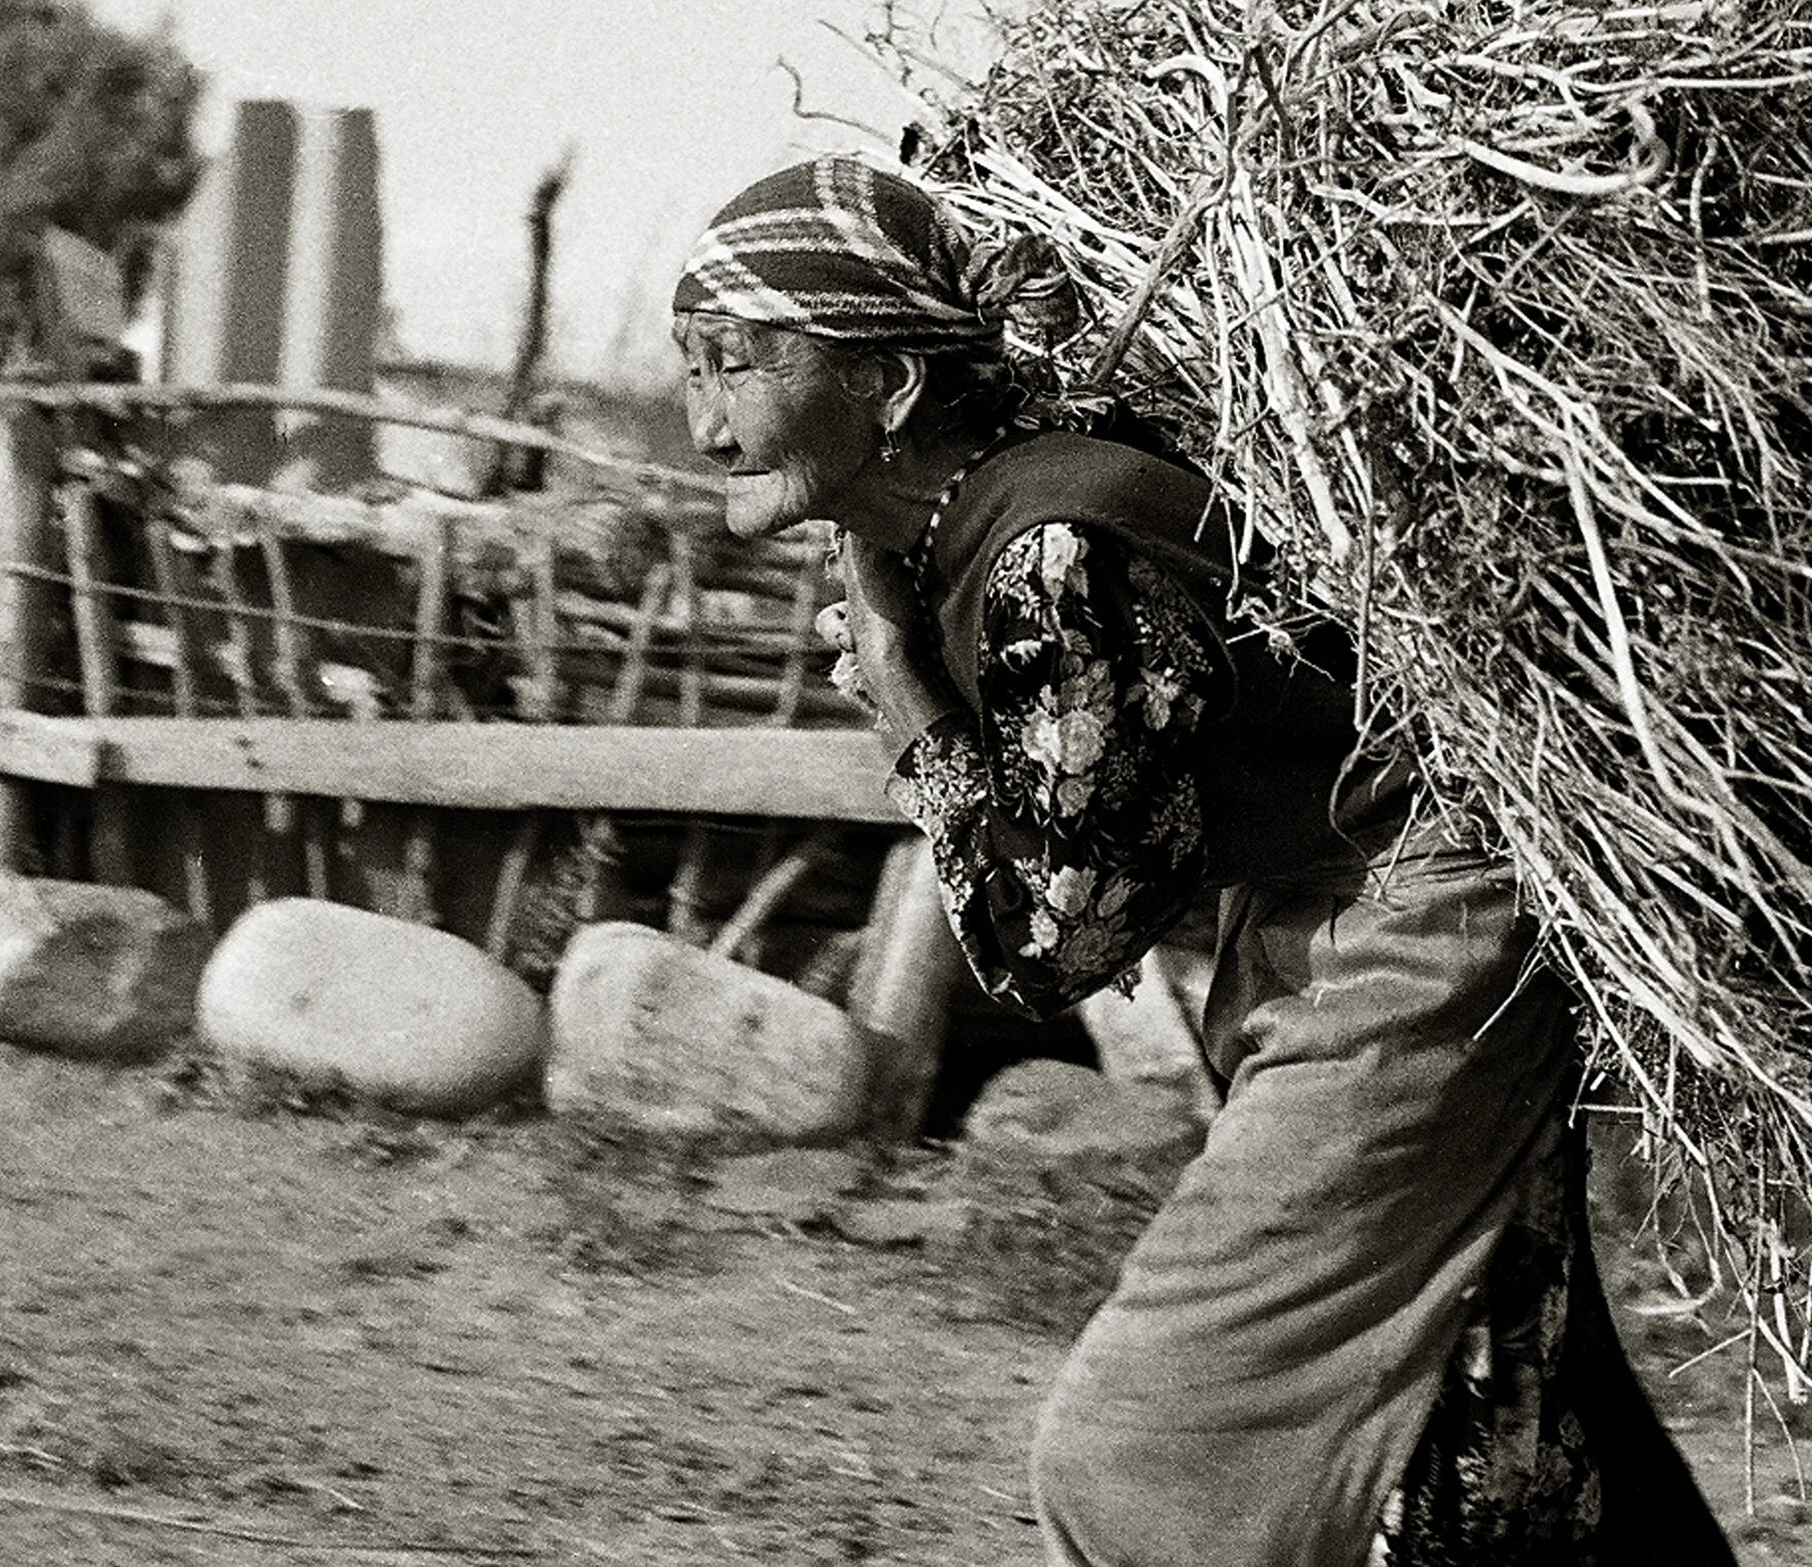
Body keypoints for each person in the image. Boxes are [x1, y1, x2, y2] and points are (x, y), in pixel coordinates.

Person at [672, 150, 1733, 1567]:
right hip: (1351, 916)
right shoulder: (972, 530)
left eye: (741, 365)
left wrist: (902, 691)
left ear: (892, 387)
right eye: (691, 368)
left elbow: (1059, 944)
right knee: (1477, 1381)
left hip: (1422, 925)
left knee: (1149, 1455)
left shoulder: (1056, 547)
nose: (702, 422)